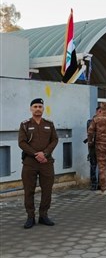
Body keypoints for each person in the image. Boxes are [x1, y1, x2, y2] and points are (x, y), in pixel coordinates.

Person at [18, 98, 59, 229]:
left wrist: (45, 154)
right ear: (31, 109)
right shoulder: (25, 125)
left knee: (47, 190)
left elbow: (54, 140)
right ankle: (30, 217)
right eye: (35, 106)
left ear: (43, 109)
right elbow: (22, 142)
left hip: (46, 162)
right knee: (29, 190)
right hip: (30, 162)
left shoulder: (49, 124)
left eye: (40, 106)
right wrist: (36, 154)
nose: (37, 109)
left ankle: (43, 215)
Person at [85, 106, 101, 190]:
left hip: (102, 147)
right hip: (93, 147)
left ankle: (101, 183)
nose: (101, 113)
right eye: (99, 111)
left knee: (102, 166)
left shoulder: (105, 122)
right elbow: (90, 133)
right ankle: (94, 183)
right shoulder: (90, 122)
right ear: (96, 112)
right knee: (93, 166)